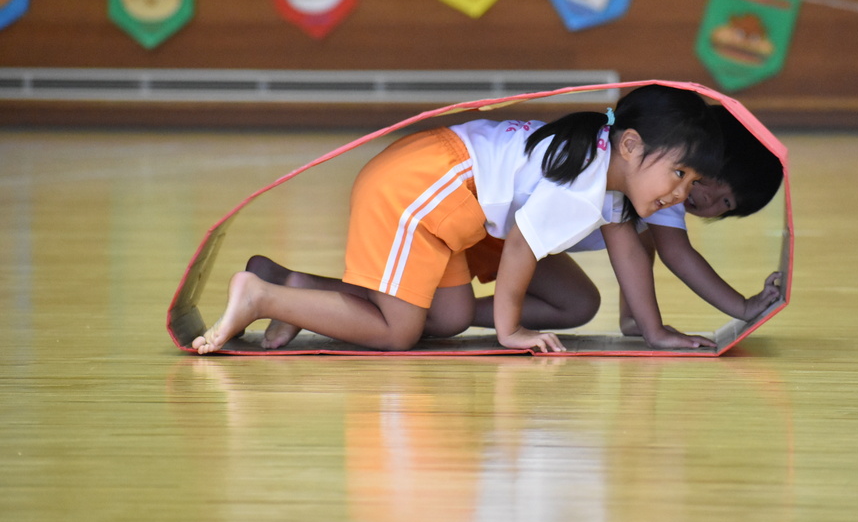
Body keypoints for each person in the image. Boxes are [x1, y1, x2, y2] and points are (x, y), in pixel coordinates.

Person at [191, 84, 724, 355]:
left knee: (445, 320)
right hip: (423, 186)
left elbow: (629, 249)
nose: (680, 193)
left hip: (451, 200)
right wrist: (510, 331)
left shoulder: (607, 166)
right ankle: (261, 297)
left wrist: (653, 331)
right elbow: (520, 248)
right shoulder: (584, 187)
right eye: (677, 173)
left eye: (690, 182)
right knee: (400, 333)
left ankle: (296, 288)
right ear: (631, 145)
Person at [467, 105, 785, 337]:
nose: (703, 197)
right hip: (483, 219)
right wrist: (742, 307)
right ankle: (455, 313)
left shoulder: (659, 190)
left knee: (580, 305)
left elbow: (634, 253)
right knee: (446, 316)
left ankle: (462, 313)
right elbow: (676, 254)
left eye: (726, 203)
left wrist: (648, 327)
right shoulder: (656, 187)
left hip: (510, 236)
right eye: (706, 177)